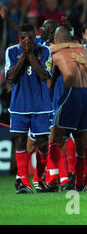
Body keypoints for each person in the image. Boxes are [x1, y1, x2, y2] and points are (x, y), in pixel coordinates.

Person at [44, 26, 87, 192]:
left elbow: (49, 83)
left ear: (56, 41)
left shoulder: (54, 53)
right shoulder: (82, 49)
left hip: (72, 93)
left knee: (55, 136)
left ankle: (53, 178)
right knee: (86, 140)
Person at [5, 24, 52, 193]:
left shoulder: (44, 50)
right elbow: (10, 76)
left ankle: (39, 178)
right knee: (19, 141)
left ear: (35, 36)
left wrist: (30, 55)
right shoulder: (11, 51)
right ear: (19, 39)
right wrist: (23, 56)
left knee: (43, 144)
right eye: (24, 38)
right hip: (19, 105)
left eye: (30, 38)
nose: (27, 41)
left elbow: (44, 74)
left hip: (41, 106)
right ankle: (24, 182)